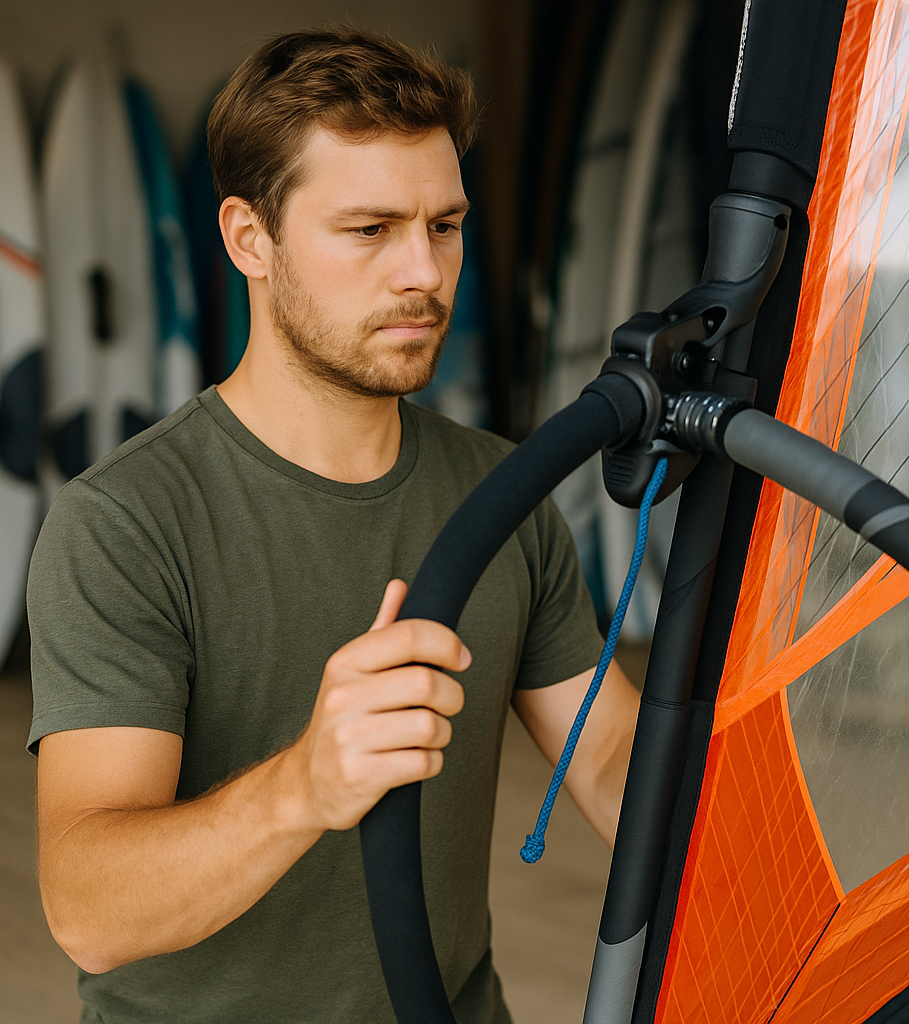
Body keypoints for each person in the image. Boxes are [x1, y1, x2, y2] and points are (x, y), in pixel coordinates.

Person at [27, 26, 640, 1024]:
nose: (424, 274)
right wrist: (303, 785)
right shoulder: (125, 523)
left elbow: (612, 759)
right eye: (369, 230)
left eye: (444, 226)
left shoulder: (500, 490)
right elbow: (89, 908)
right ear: (246, 239)